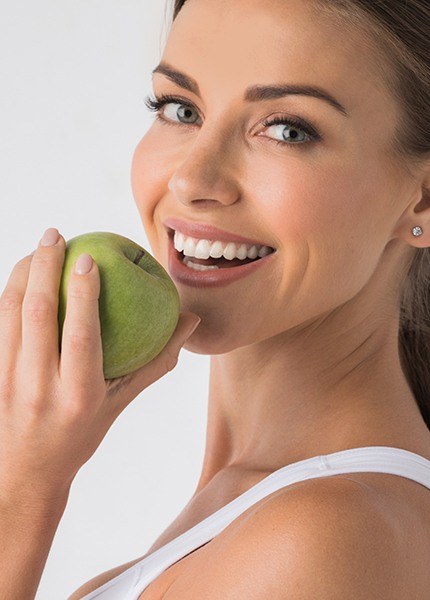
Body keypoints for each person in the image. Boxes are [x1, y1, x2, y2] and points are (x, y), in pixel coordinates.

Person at [1, 0, 430, 598]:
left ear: (423, 197)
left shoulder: (322, 539)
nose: (192, 180)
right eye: (180, 109)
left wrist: (19, 489)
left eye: (287, 129)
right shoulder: (263, 514)